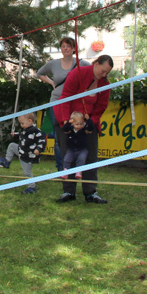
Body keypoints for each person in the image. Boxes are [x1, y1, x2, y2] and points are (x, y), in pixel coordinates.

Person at [53, 54, 114, 204]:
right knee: (68, 157)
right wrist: (67, 122)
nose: (104, 75)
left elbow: (101, 108)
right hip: (68, 120)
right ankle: (68, 192)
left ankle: (90, 193)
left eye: (107, 73)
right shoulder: (77, 73)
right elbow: (66, 97)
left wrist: (90, 123)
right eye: (103, 71)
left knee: (90, 158)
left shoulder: (105, 85)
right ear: (96, 63)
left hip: (89, 125)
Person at [36, 37, 89, 172]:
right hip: (57, 103)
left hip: (73, 104)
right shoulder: (54, 63)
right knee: (60, 136)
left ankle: (75, 167)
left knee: (75, 134)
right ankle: (61, 168)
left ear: (73, 49)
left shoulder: (81, 63)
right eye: (63, 46)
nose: (65, 49)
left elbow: (94, 72)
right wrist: (52, 83)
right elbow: (40, 73)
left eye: (68, 46)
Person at [0, 113, 47, 194]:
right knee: (12, 146)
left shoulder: (36, 131)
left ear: (30, 121)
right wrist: (15, 135)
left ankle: (32, 187)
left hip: (28, 156)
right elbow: (21, 135)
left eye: (22, 123)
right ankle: (7, 161)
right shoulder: (26, 130)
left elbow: (42, 141)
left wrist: (39, 149)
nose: (21, 125)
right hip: (22, 151)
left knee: (27, 173)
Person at [61, 111, 96, 179]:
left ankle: (78, 171)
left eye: (81, 124)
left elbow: (91, 127)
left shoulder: (84, 130)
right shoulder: (70, 129)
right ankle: (65, 171)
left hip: (82, 149)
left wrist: (88, 119)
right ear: (72, 123)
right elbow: (64, 129)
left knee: (82, 159)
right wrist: (68, 122)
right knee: (67, 159)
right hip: (71, 149)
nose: (79, 126)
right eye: (77, 124)